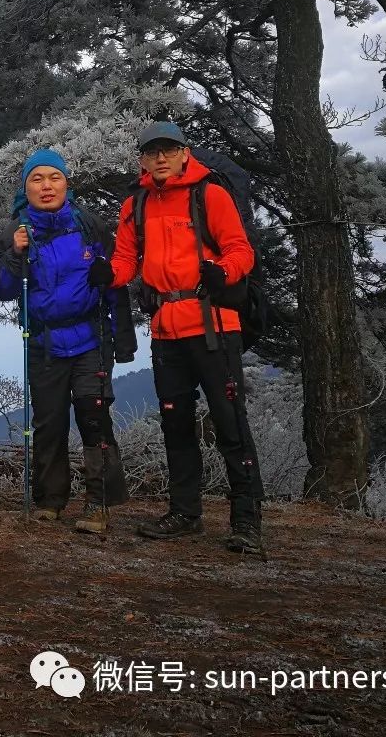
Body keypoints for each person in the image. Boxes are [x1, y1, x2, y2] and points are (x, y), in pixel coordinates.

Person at [107, 122, 264, 553]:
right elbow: (125, 259)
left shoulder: (209, 195)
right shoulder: (135, 204)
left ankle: (246, 521)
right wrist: (108, 275)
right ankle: (185, 512)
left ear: (184, 153)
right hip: (165, 329)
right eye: (152, 151)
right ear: (142, 159)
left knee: (230, 423)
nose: (160, 158)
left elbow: (240, 249)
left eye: (168, 150)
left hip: (214, 325)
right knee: (175, 423)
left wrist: (224, 271)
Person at [0, 149, 135, 533]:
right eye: (37, 179)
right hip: (44, 342)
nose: (46, 186)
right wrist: (15, 253)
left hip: (90, 338)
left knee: (94, 417)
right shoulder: (16, 230)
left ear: (67, 183)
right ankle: (50, 500)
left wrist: (123, 340)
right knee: (49, 422)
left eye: (54, 177)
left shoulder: (90, 226)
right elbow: (2, 289)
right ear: (26, 188)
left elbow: (115, 282)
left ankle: (97, 503)